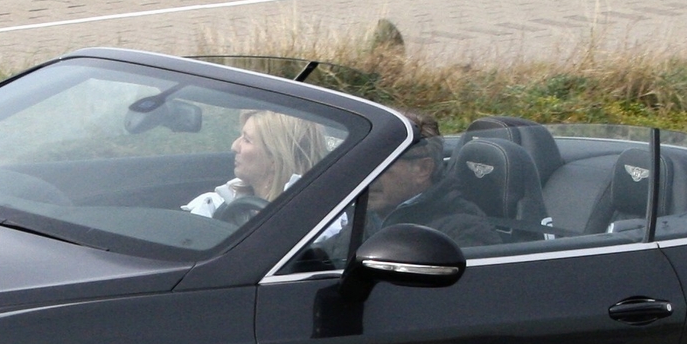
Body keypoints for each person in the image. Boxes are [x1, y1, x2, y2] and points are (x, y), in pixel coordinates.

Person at [362, 117, 502, 247]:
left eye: (383, 164)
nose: (369, 175)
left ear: (423, 169)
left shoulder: (463, 232)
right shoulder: (368, 213)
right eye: (368, 163)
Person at [183, 109, 333, 224]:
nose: (234, 146)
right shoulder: (218, 202)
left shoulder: (310, 224)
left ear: (275, 158)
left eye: (247, 140)